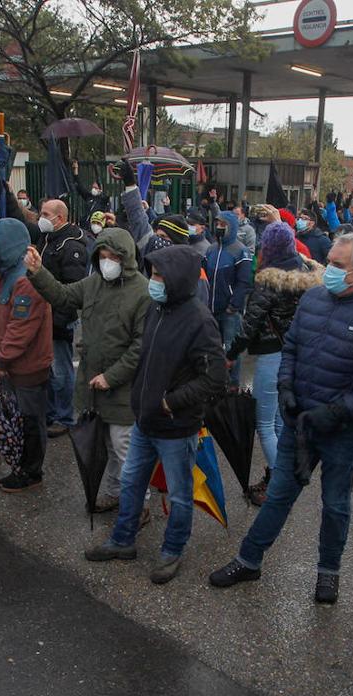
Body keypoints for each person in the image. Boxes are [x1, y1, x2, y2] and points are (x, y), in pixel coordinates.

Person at [209, 233, 353, 603]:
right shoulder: (313, 298)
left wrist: (338, 412)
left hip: (342, 430)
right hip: (299, 421)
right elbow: (293, 348)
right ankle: (248, 559)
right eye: (329, 260)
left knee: (335, 503)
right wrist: (286, 389)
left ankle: (328, 573)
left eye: (337, 265)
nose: (328, 269)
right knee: (279, 494)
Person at [83, 244, 225, 584]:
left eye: (160, 275)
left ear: (177, 279)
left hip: (176, 427)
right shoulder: (156, 309)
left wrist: (171, 402)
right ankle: (122, 540)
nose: (154, 280)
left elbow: (215, 377)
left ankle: (172, 549)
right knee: (131, 482)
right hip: (145, 420)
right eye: (153, 273)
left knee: (178, 493)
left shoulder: (200, 321)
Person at [27, 225, 149, 510]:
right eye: (103, 255)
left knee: (125, 449)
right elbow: (64, 296)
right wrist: (38, 272)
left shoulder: (142, 292)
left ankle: (138, 504)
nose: (107, 262)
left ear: (126, 257)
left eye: (114, 257)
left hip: (123, 390)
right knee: (105, 445)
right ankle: (114, 493)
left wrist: (111, 376)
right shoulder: (93, 284)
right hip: (95, 385)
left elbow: (141, 347)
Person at [224, 221, 321, 505]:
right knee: (279, 423)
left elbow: (250, 323)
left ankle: (280, 483)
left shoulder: (270, 279)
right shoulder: (306, 273)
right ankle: (278, 475)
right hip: (296, 354)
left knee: (263, 423)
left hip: (271, 355)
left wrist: (231, 355)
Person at [2, 188, 87, 437]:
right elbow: (20, 220)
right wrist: (7, 194)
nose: (41, 216)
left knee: (61, 372)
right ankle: (50, 413)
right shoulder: (46, 237)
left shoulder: (71, 245)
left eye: (46, 213)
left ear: (59, 218)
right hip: (41, 317)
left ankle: (65, 416)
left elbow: (73, 290)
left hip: (58, 320)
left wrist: (58, 320)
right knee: (47, 371)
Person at [0, 218, 53, 490]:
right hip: (15, 367)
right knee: (21, 418)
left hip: (27, 368)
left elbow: (20, 329)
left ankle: (31, 472)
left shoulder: (25, 280)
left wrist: (1, 361)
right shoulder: (9, 274)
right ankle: (23, 465)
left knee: (31, 422)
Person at [204, 211, 253, 388]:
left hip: (229, 312)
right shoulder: (210, 249)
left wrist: (234, 305)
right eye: (217, 224)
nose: (219, 227)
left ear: (231, 226)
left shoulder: (240, 251)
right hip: (211, 309)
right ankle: (213, 381)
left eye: (223, 225)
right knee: (212, 347)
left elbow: (244, 281)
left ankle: (232, 384)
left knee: (231, 347)